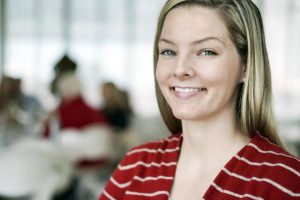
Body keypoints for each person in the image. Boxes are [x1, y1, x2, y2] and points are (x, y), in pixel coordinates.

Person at [99, 0, 300, 199]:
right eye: (169, 51)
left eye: (206, 52)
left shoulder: (285, 183)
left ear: (246, 66)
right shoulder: (136, 166)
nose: (180, 69)